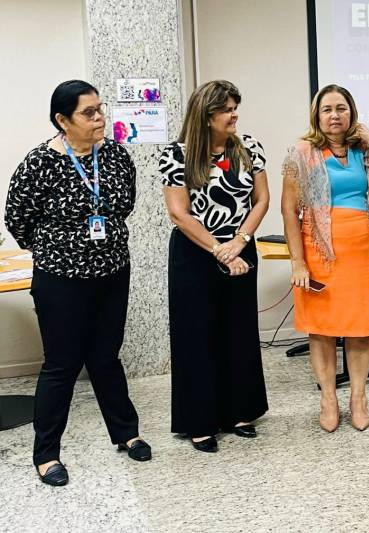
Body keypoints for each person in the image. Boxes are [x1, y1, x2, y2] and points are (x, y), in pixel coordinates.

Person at [4, 80, 150, 486]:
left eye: (100, 109)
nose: (100, 117)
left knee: (106, 358)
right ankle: (47, 454)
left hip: (112, 273)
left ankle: (126, 433)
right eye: (89, 112)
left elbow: (124, 205)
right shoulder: (40, 163)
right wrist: (58, 249)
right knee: (62, 364)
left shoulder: (115, 155)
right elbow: (17, 219)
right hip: (61, 280)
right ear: (62, 120)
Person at [160, 80, 269, 452]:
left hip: (241, 246)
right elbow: (179, 213)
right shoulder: (177, 154)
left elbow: (261, 200)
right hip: (195, 252)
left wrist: (239, 242)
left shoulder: (249, 147)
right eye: (226, 109)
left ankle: (240, 412)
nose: (234, 115)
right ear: (206, 116)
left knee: (238, 331)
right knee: (197, 335)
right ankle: (199, 421)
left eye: (236, 108)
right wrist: (220, 250)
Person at [281, 84, 369, 432]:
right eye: (327, 109)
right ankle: (328, 398)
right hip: (318, 251)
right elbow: (289, 210)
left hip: (360, 249)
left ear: (351, 113)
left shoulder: (362, 150)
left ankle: (358, 397)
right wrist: (298, 261)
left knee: (361, 328)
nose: (334, 115)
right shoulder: (302, 152)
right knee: (322, 329)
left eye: (341, 108)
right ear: (317, 115)